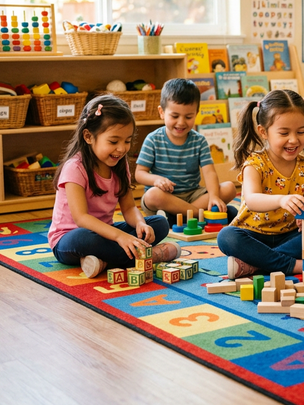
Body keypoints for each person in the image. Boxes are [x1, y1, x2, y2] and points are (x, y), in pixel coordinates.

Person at [48, 95, 174, 278]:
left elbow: (129, 207)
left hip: (106, 234)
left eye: (127, 141)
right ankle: (148, 256)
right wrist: (119, 237)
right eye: (114, 142)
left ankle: (104, 261)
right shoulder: (75, 168)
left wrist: (140, 224)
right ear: (88, 136)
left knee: (159, 224)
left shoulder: (120, 165)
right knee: (86, 238)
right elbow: (81, 218)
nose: (122, 149)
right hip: (69, 239)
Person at [217, 89, 304, 279]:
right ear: (263, 131)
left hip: (288, 236)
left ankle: (255, 265)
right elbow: (252, 199)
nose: (294, 139)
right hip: (253, 235)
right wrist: (281, 200)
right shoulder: (255, 164)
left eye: (301, 132)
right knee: (226, 236)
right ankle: (292, 265)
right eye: (284, 132)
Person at [135, 78, 237, 225]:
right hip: (165, 198)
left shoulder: (199, 141)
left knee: (229, 188)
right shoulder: (153, 139)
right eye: (174, 116)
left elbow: (209, 172)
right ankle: (202, 214)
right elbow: (139, 173)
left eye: (188, 117)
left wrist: (214, 196)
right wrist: (156, 180)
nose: (181, 122)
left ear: (196, 114)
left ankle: (180, 217)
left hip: (193, 195)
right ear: (162, 112)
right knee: (152, 195)